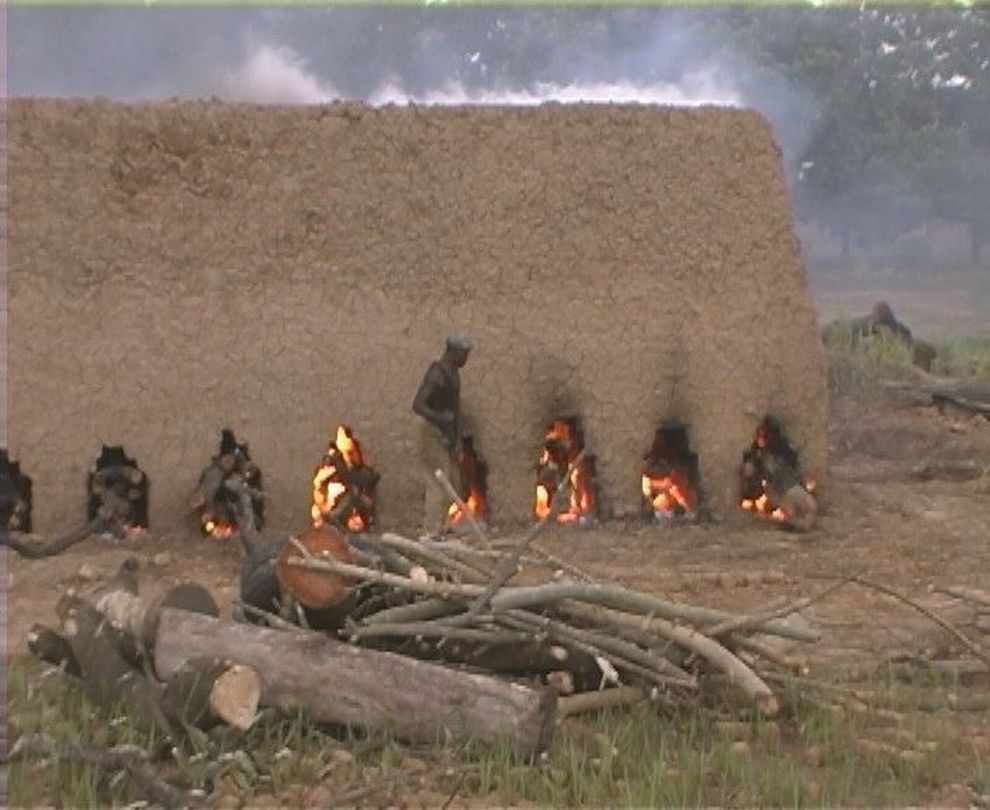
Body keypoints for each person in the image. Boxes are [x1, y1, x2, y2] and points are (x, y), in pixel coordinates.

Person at [412, 335, 472, 537]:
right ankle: (429, 533)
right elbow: (418, 404)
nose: (466, 359)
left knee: (452, 482)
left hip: (444, 433)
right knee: (437, 482)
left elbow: (454, 410)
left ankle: (441, 527)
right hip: (430, 431)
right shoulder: (437, 373)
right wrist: (440, 419)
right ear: (453, 353)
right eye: (464, 355)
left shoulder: (453, 373)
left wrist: (456, 440)